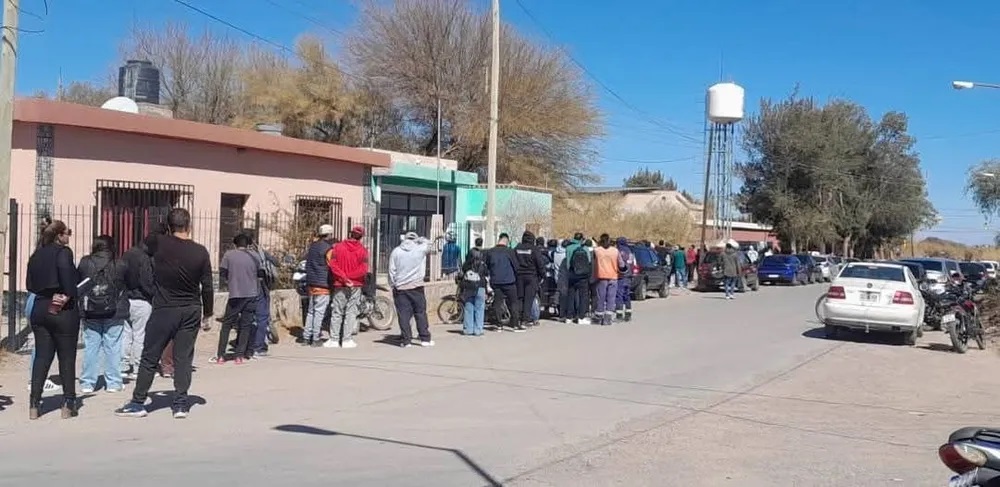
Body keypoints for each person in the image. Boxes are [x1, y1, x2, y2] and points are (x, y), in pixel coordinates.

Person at [115, 208, 214, 419]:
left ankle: (138, 402)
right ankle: (180, 404)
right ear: (190, 225)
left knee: (150, 356)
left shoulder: (159, 243)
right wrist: (208, 313)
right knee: (183, 358)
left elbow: (148, 238)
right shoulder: (201, 251)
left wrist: (163, 227)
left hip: (164, 308)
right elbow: (207, 285)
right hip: (191, 309)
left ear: (169, 226)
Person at [25, 220, 80, 419]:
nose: (69, 236)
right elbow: (68, 283)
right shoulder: (63, 252)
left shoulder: (36, 255)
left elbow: (29, 284)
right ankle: (68, 402)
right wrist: (71, 291)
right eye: (68, 232)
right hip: (62, 306)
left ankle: (34, 403)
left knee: (42, 356)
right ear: (59, 235)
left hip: (40, 306)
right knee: (66, 356)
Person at [78, 235, 130, 394]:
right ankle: (113, 382)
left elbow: (78, 281)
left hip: (90, 310)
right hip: (114, 311)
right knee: (113, 346)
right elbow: (129, 283)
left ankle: (87, 382)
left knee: (91, 346)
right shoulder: (120, 264)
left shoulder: (85, 262)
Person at [213, 233, 259, 364]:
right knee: (245, 326)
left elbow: (222, 272)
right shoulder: (254, 256)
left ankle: (221, 355)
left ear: (235, 244)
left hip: (235, 294)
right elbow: (260, 273)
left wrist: (231, 280)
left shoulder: (229, 255)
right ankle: (239, 356)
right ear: (248, 244)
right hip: (251, 294)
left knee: (227, 324)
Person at [121, 230, 157, 380]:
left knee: (125, 334)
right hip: (141, 300)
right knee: (140, 335)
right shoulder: (145, 258)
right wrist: (153, 294)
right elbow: (146, 281)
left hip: (126, 299)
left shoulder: (128, 253)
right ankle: (137, 368)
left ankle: (122, 366)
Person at [326, 225, 369, 349]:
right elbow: (363, 269)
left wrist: (344, 278)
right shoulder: (363, 251)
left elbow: (333, 265)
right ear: (361, 237)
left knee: (337, 311)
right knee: (351, 312)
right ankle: (346, 339)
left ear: (350, 234)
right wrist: (350, 278)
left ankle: (334, 339)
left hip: (340, 283)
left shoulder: (338, 247)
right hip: (355, 284)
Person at [388, 232, 434, 347]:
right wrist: (421, 239)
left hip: (401, 287)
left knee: (403, 315)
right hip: (417, 286)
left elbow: (391, 270)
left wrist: (393, 284)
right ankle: (425, 339)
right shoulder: (420, 249)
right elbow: (430, 243)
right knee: (420, 313)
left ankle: (406, 340)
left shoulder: (396, 251)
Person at [302, 224, 336, 347]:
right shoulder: (328, 249)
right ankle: (316, 338)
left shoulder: (312, 247)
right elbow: (332, 266)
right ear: (329, 234)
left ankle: (306, 337)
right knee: (319, 312)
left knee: (311, 311)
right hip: (323, 284)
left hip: (311, 283)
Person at [247, 233, 278, 358]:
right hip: (260, 286)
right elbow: (276, 262)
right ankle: (259, 347)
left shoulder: (235, 254)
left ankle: (246, 346)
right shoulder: (260, 252)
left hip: (243, 288)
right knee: (262, 316)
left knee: (247, 317)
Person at [485, 233, 519, 331]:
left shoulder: (491, 252)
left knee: (497, 302)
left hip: (496, 281)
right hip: (509, 281)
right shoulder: (510, 252)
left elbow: (487, 266)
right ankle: (515, 324)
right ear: (506, 241)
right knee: (513, 302)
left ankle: (498, 324)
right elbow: (516, 266)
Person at [513, 231, 546, 331]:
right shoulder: (534, 249)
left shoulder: (516, 248)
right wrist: (543, 275)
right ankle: (525, 320)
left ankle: (516, 319)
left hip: (519, 276)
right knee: (529, 299)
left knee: (520, 298)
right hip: (531, 277)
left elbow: (513, 261)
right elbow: (540, 264)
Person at [561, 233, 592, 325]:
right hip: (583, 276)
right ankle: (581, 317)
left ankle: (569, 317)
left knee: (570, 295)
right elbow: (589, 261)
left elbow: (567, 263)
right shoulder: (585, 248)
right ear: (581, 239)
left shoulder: (568, 248)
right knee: (583, 296)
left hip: (572, 274)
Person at [459, 242, 489, 336]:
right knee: (479, 308)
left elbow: (462, 273)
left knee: (469, 307)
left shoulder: (466, 265)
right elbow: (487, 274)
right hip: (480, 287)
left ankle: (468, 329)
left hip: (469, 288)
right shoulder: (483, 265)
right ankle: (478, 329)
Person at [593, 234, 620, 326]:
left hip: (602, 277)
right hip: (613, 276)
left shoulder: (597, 250)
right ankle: (607, 318)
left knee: (601, 297)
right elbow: (621, 264)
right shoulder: (615, 251)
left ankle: (599, 316)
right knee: (611, 298)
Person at [615, 237, 635, 322]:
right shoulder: (630, 252)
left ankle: (619, 315)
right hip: (629, 276)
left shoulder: (619, 251)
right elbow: (633, 264)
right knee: (627, 295)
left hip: (621, 276)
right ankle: (628, 314)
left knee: (619, 295)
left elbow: (619, 264)